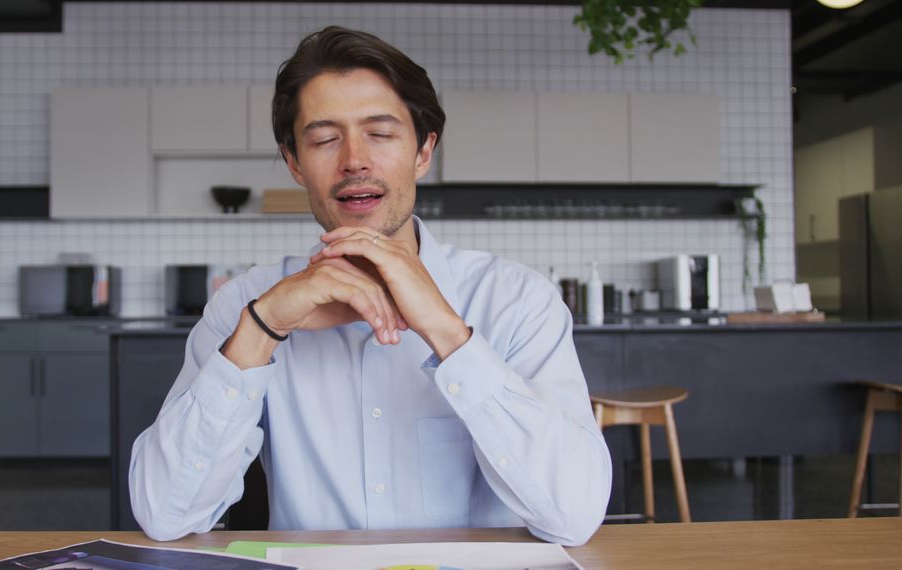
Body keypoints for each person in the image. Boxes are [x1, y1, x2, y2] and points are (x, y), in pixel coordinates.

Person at [129, 26, 611, 546]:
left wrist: (450, 335)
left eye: (380, 134)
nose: (354, 160)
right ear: (294, 162)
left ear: (424, 151)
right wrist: (261, 330)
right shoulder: (246, 305)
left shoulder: (517, 302)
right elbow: (165, 515)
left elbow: (573, 516)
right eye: (324, 139)